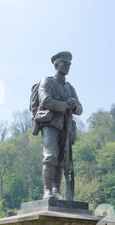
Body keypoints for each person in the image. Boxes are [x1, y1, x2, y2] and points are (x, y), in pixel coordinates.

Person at [32, 51, 83, 200]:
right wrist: (65, 105)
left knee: (62, 160)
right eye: (64, 64)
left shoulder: (70, 88)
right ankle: (47, 190)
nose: (67, 67)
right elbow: (46, 100)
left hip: (66, 126)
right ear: (56, 65)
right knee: (50, 156)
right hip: (50, 123)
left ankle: (56, 189)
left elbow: (80, 109)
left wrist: (74, 106)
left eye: (69, 65)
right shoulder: (47, 82)